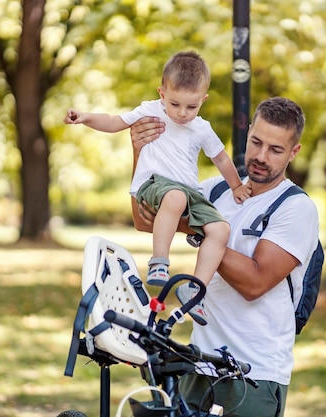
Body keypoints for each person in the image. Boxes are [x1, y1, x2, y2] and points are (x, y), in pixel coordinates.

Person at [129, 97, 320, 417]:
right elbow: (143, 219)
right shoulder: (216, 191)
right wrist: (140, 153)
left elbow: (255, 282)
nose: (260, 156)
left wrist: (203, 230)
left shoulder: (295, 207)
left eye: (275, 149)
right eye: (256, 142)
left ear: (294, 152)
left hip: (253, 375)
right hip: (198, 365)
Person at [64, 51, 251, 325]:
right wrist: (85, 117)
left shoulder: (201, 128)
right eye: (175, 104)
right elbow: (115, 121)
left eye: (192, 106)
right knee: (174, 197)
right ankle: (159, 261)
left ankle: (195, 288)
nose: (182, 113)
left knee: (221, 229)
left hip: (190, 192)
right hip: (155, 186)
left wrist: (235, 185)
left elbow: (221, 157)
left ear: (203, 99)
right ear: (162, 93)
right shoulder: (150, 110)